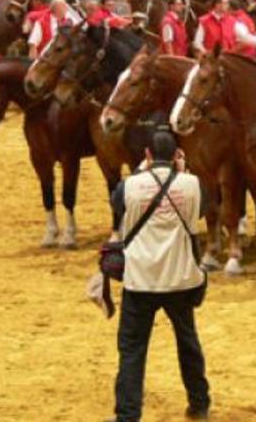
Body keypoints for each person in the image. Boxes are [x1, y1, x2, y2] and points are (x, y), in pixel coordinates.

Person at [108, 128, 210, 422]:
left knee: (132, 349)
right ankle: (199, 402)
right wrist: (183, 171)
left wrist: (141, 172)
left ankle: (128, 414)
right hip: (181, 278)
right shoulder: (192, 184)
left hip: (141, 279)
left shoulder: (130, 185)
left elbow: (117, 206)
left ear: (148, 155)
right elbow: (201, 212)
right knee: (187, 340)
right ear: (177, 155)